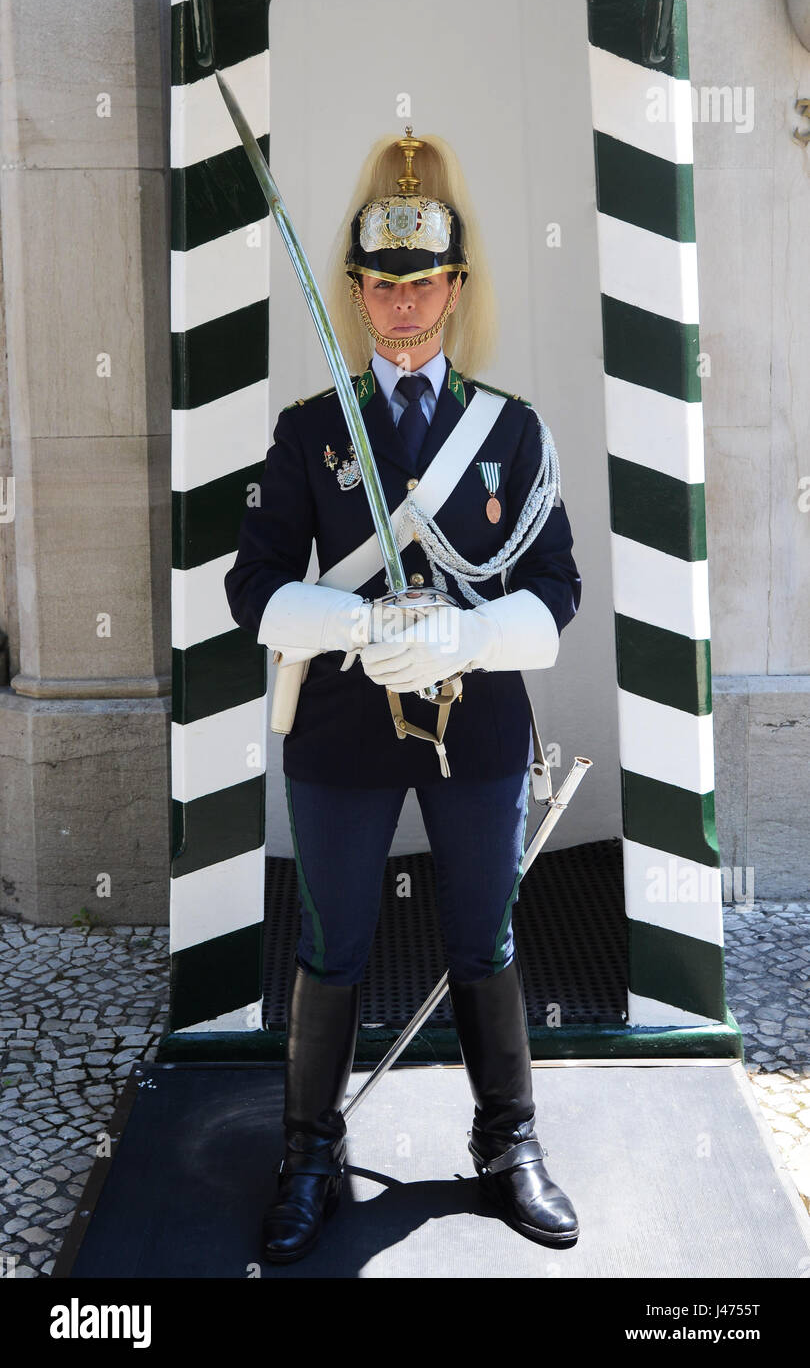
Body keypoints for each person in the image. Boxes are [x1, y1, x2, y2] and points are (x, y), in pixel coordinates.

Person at [224, 128, 583, 1264]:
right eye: (382, 287)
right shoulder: (309, 432)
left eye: (424, 286)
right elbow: (255, 589)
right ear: (358, 291)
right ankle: (309, 1149)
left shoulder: (510, 433)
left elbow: (556, 593)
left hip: (475, 729)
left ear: (456, 287)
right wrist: (365, 625)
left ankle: (508, 1138)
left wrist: (466, 633)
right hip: (341, 730)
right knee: (332, 943)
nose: (404, 310)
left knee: (484, 936)